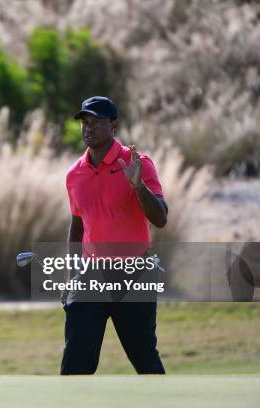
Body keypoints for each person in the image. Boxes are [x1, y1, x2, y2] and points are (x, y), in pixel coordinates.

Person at [60, 96, 168, 375]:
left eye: (97, 122)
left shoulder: (137, 164)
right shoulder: (75, 174)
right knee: (75, 363)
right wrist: (71, 278)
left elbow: (160, 218)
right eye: (85, 122)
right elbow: (78, 226)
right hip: (91, 276)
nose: (89, 128)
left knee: (144, 358)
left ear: (114, 126)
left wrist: (138, 186)